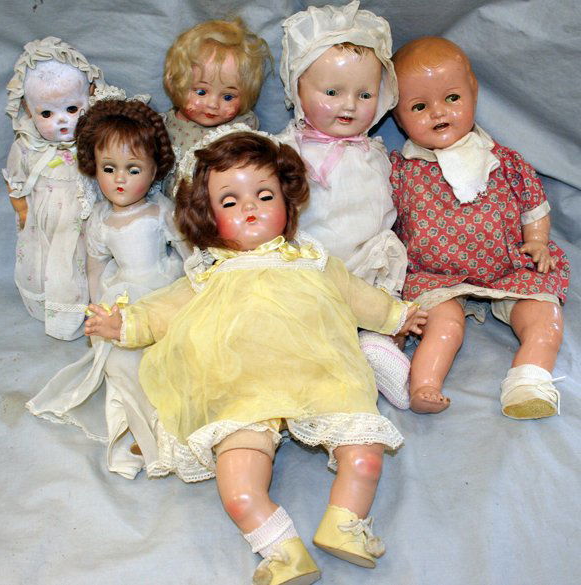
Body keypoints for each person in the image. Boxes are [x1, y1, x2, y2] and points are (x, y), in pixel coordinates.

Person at [85, 126, 427, 584]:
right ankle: (281, 549)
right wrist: (124, 323)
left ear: (287, 201)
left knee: (364, 454)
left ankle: (345, 523)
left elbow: (358, 296)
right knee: (239, 487)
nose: (250, 208)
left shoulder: (312, 260)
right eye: (230, 202)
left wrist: (397, 315)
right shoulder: (208, 275)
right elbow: (161, 311)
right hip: (238, 387)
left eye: (264, 196)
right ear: (207, 216)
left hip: (321, 373)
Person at [390, 36, 569, 418]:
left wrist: (537, 240)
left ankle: (529, 380)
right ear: (398, 118)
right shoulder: (401, 171)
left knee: (545, 316)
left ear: (474, 93)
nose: (438, 112)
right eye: (419, 106)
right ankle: (424, 385)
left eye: (452, 98)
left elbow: (533, 204)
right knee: (443, 327)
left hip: (508, 266)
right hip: (434, 275)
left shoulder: (502, 159)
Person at [26, 99, 189, 478]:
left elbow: (187, 254)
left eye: (133, 169)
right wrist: (97, 308)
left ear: (154, 170)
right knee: (121, 363)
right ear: (94, 167)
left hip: (163, 293)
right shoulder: (99, 218)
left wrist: (195, 291)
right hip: (122, 300)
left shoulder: (161, 211)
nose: (120, 180)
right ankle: (137, 429)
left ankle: (171, 425)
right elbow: (96, 267)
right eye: (108, 168)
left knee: (169, 358)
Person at [277, 0, 411, 408]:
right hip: (311, 261)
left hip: (366, 260)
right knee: (293, 306)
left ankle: (378, 344)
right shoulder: (286, 150)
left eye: (364, 94)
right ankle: (320, 358)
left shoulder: (375, 151)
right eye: (332, 92)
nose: (349, 105)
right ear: (298, 90)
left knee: (388, 271)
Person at [3, 37, 106, 340]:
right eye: (46, 114)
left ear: (90, 97)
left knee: (84, 260)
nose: (61, 121)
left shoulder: (93, 140)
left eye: (72, 108)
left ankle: (90, 304)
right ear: (28, 109)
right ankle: (51, 306)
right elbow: (15, 179)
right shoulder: (27, 146)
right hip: (45, 219)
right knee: (47, 261)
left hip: (85, 217)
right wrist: (22, 210)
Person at [161, 17, 272, 196]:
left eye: (228, 97)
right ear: (177, 84)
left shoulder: (241, 127)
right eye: (201, 92)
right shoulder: (164, 126)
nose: (213, 105)